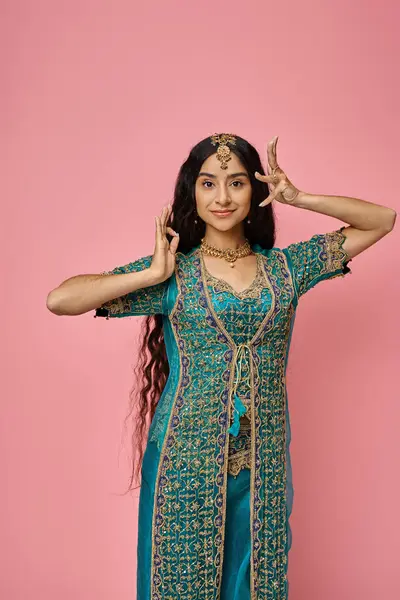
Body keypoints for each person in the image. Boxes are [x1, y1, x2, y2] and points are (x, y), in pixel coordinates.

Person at [46, 133, 396, 600]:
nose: (223, 197)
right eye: (209, 184)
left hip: (263, 462)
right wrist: (152, 275)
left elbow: (382, 220)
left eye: (236, 183)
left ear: (255, 192)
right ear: (193, 192)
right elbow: (60, 299)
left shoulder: (286, 270)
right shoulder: (175, 272)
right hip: (185, 458)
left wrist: (300, 197)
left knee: (256, 583)